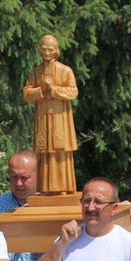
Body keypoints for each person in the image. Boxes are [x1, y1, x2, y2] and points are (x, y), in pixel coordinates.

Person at [23, 34, 78, 195]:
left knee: (60, 151)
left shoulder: (65, 71)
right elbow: (26, 94)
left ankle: (63, 188)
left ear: (56, 51)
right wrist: (41, 90)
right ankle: (45, 189)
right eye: (44, 49)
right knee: (45, 151)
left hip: (60, 118)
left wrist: (53, 89)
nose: (47, 53)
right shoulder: (36, 72)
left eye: (50, 49)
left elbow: (73, 91)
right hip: (43, 118)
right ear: (40, 51)